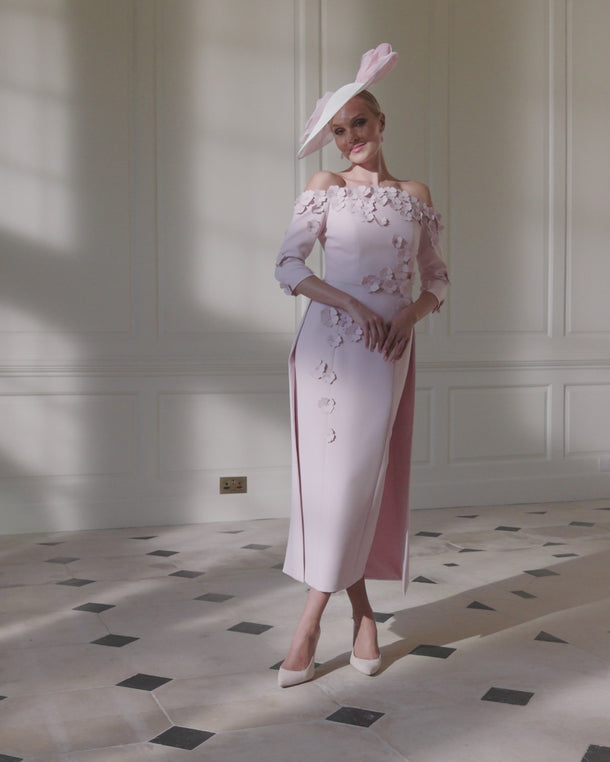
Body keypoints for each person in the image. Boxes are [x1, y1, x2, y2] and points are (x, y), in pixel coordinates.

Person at [274, 43, 449, 688]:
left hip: (386, 353)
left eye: (359, 123)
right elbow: (287, 267)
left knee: (359, 480)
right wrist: (349, 302)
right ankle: (342, 618)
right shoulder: (324, 187)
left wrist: (409, 316)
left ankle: (327, 618)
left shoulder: (414, 195)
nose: (350, 138)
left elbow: (437, 279)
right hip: (327, 346)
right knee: (330, 486)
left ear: (380, 122)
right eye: (339, 130)